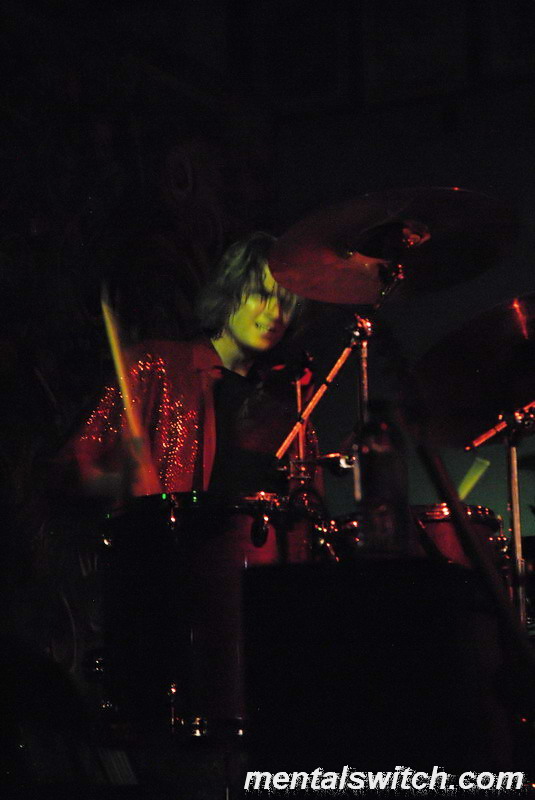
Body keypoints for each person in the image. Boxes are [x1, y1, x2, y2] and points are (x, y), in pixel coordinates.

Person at [70, 231, 319, 503]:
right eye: (261, 294)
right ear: (230, 291)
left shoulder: (285, 409)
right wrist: (123, 484)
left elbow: (309, 508)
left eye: (286, 302)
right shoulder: (156, 365)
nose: (275, 313)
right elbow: (74, 470)